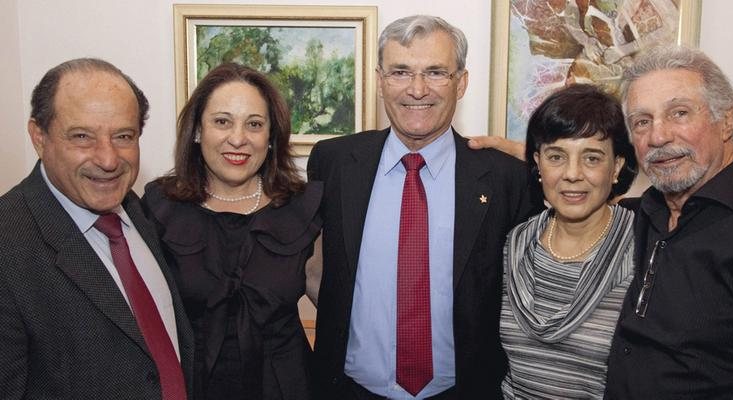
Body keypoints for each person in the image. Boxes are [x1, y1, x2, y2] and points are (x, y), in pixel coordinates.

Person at [307, 15, 542, 399]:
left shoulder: (506, 177)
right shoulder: (332, 162)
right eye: (400, 72)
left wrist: (543, 164)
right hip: (348, 389)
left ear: (461, 82)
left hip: (464, 391)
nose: (417, 89)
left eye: (435, 72)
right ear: (380, 79)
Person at [0, 58, 193, 399]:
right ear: (39, 137)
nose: (108, 159)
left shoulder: (138, 211)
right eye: (82, 136)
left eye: (123, 136)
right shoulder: (9, 243)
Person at [141, 62, 322, 400]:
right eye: (222, 121)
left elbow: (338, 303)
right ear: (197, 131)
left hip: (288, 387)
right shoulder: (158, 207)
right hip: (189, 386)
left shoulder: (305, 208)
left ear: (271, 137)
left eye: (254, 124)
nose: (238, 139)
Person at [604, 46, 733, 398]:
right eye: (642, 121)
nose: (658, 137)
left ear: (725, 119)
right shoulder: (643, 213)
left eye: (679, 113)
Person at [500, 84, 638, 399]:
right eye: (556, 156)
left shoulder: (643, 249)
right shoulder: (515, 244)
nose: (572, 174)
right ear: (537, 164)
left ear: (616, 166)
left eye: (592, 158)